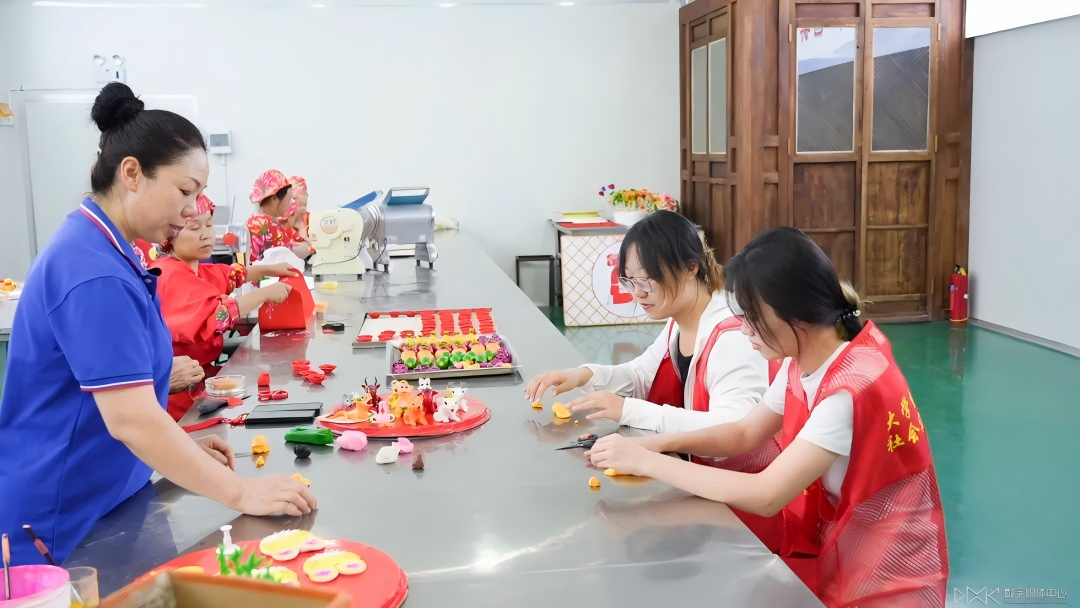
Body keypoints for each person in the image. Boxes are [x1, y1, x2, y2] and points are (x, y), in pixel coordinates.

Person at [0, 83, 317, 565]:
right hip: (61, 526)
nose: (193, 211)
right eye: (185, 191)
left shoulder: (114, 252)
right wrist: (239, 492)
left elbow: (112, 401)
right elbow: (132, 419)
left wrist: (180, 450)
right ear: (132, 173)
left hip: (109, 499)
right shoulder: (92, 271)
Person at [585, 227, 948, 607]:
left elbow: (767, 495)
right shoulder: (804, 360)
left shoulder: (846, 392)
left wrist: (647, 462)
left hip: (891, 571)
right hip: (849, 544)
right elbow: (744, 432)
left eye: (751, 316)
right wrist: (655, 444)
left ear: (793, 312)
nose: (743, 329)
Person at [525, 211, 768, 436]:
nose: (637, 293)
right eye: (630, 281)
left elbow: (733, 427)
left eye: (647, 280)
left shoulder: (734, 334)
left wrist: (629, 410)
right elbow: (640, 376)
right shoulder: (680, 320)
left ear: (690, 268)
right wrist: (582, 375)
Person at [152, 194, 299, 420]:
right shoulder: (170, 274)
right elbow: (217, 316)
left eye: (209, 225)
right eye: (194, 228)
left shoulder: (193, 269)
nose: (206, 234)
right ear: (169, 234)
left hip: (198, 384)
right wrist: (264, 293)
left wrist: (271, 269)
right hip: (177, 399)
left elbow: (229, 275)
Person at [246, 169, 311, 262]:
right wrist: (310, 246)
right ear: (274, 198)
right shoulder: (267, 227)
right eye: (289, 198)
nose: (291, 202)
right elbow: (295, 252)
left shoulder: (253, 221)